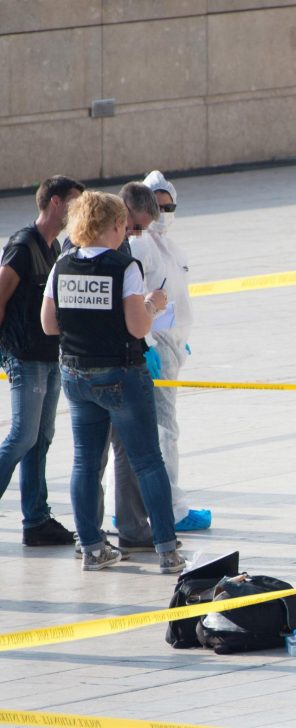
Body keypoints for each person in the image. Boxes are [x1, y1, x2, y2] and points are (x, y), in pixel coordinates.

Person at [40, 190, 185, 573]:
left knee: (85, 463)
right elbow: (138, 326)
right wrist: (153, 303)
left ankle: (91, 546)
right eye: (123, 225)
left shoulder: (62, 264)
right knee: (147, 461)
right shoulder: (125, 267)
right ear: (114, 226)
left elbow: (49, 324)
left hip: (75, 371)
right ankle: (167, 550)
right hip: (121, 372)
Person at [110, 175, 210, 545]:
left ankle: (141, 508)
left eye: (169, 207)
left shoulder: (166, 245)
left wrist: (179, 339)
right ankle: (169, 509)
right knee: (161, 432)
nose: (164, 213)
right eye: (158, 206)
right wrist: (148, 343)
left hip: (169, 345)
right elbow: (134, 299)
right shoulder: (139, 246)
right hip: (152, 347)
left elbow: (175, 297)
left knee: (153, 432)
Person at [0, 175, 84, 546]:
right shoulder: (23, 245)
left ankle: (36, 521)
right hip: (24, 355)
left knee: (41, 439)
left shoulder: (52, 249)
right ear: (54, 202)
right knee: (23, 435)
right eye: (74, 203)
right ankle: (34, 517)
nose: (77, 211)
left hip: (49, 356)